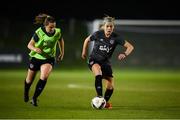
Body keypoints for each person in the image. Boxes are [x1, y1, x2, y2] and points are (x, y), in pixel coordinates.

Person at [81, 16, 134, 109]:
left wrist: (124, 54)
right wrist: (84, 52)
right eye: (107, 26)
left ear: (113, 27)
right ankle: (99, 97)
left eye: (111, 26)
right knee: (98, 73)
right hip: (94, 59)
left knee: (111, 85)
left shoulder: (116, 37)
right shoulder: (98, 34)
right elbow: (87, 40)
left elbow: (130, 47)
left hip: (105, 62)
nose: (109, 28)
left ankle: (104, 102)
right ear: (104, 26)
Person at [24, 13, 64, 106]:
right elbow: (29, 45)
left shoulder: (57, 32)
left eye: (54, 27)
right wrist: (35, 49)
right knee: (29, 80)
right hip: (36, 58)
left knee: (44, 77)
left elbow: (60, 40)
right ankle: (26, 93)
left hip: (49, 58)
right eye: (50, 27)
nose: (52, 29)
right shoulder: (39, 32)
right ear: (45, 25)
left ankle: (34, 98)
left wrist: (62, 52)